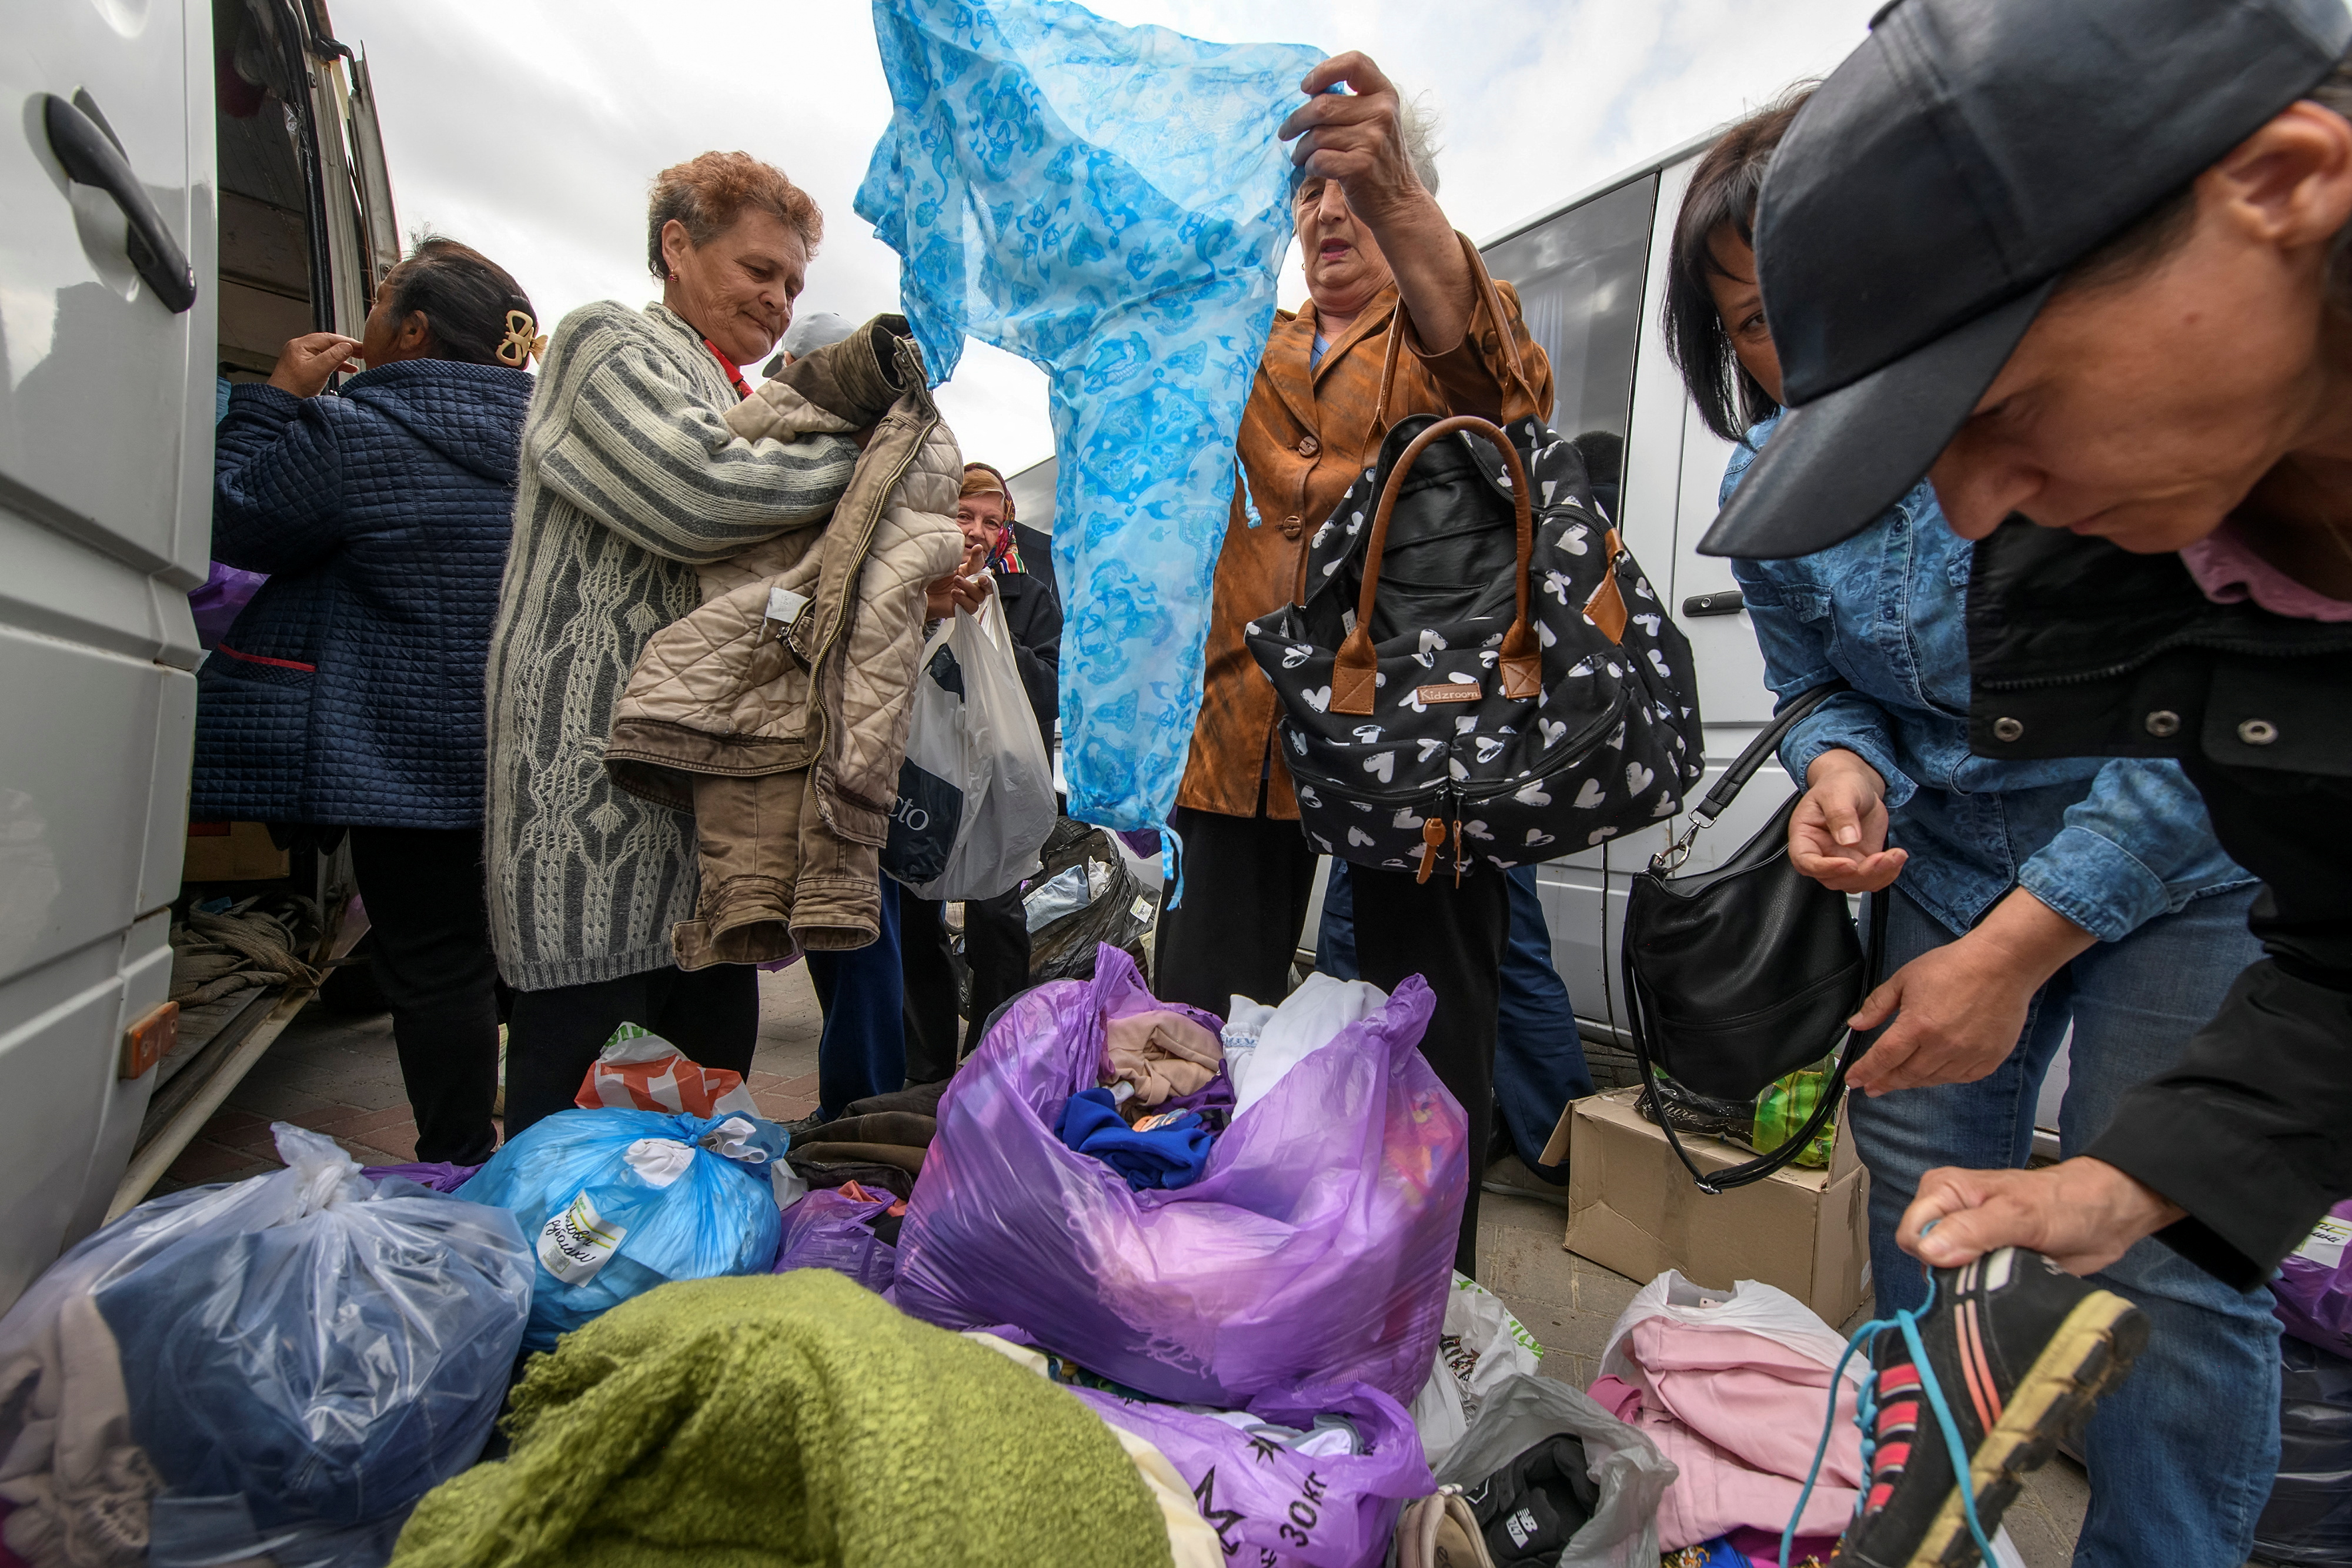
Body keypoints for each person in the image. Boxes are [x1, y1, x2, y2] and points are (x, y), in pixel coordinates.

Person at [1699, 3, 2352, 1560]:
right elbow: (2338, 962)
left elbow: (2194, 790)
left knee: (2186, 1294)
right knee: (1986, 1234)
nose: (1981, 503)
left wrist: (2024, 939)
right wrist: (2142, 1174)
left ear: (2277, 186)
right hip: (1955, 875)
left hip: (2160, 891)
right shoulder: (2192, 538)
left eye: (1998, 407)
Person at [1150, 53, 1555, 1276]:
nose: (1327, 214)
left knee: (1431, 1053)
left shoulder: (1451, 324)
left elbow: (1510, 399)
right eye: (1308, 197)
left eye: (1356, 194)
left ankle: (1423, 1316)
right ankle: (1181, 1280)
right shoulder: (1247, 347)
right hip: (1233, 732)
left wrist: (1397, 205)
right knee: (1189, 1032)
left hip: (1418, 744)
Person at [485, 152, 862, 1137]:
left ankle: (683, 1285)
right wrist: (870, 459)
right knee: (578, 1110)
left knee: (706, 1102)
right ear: (677, 246)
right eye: (757, 271)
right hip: (594, 802)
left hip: (704, 823)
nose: (777, 300)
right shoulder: (604, 346)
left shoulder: (743, 391)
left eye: (792, 284)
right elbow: (701, 493)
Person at [197, 238, 539, 1166]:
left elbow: (237, 517)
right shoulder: (558, 449)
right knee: (528, 966)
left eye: (385, 300)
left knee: (435, 970)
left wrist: (274, 394)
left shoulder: (352, 432)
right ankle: (538, 1165)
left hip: (399, 757)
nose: (372, 315)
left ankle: (457, 1163)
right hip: (534, 757)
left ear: (413, 330)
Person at [898, 463, 1065, 1082]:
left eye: (991, 522)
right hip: (922, 782)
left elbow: (1051, 688)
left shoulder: (1027, 594)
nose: (976, 532)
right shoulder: (908, 582)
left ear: (1006, 532)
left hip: (999, 786)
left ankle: (996, 1059)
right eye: (964, 516)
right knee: (915, 914)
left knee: (998, 915)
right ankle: (927, 1068)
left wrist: (993, 636)